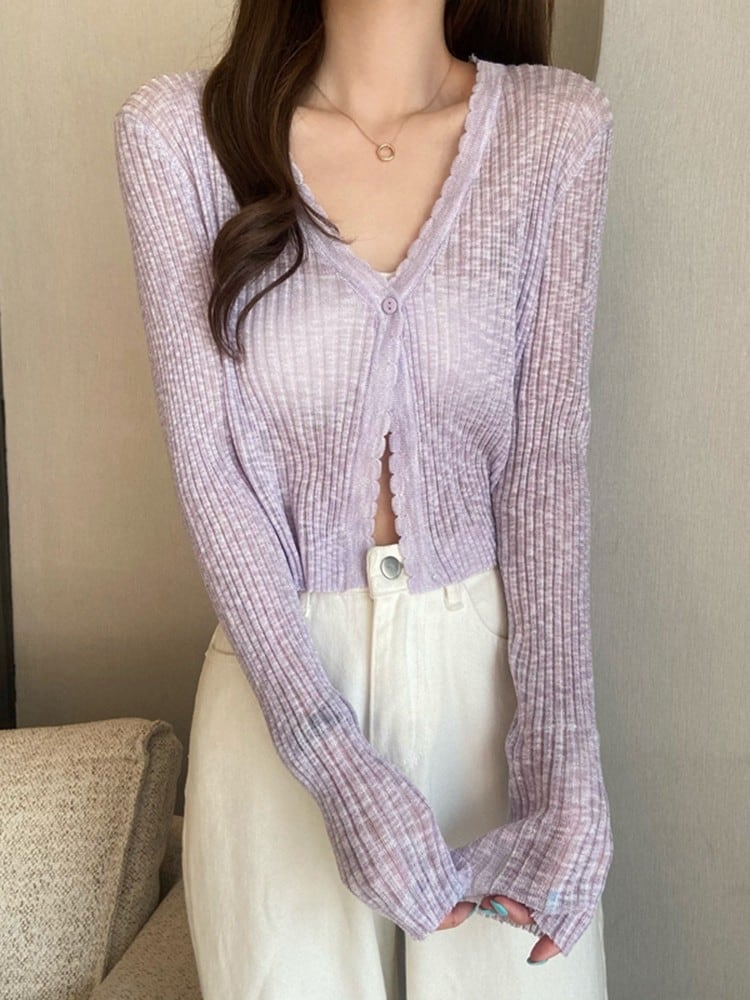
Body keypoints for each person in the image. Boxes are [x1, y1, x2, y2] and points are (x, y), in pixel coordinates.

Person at [114, 1, 615, 996]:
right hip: (281, 703)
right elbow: (210, 468)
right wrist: (332, 761)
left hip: (490, 703)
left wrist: (564, 762)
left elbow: (545, 463)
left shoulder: (557, 131)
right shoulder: (178, 138)